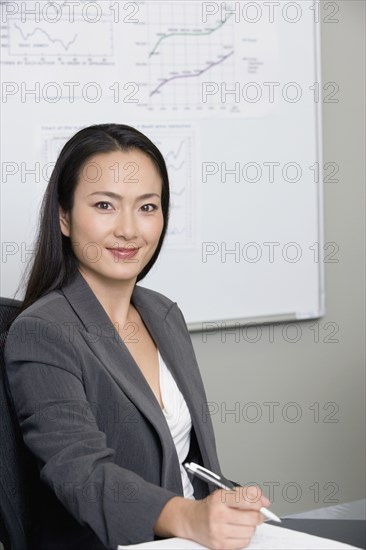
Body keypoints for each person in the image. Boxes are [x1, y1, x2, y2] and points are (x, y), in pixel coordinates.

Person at [4, 123, 270, 550]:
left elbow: (189, 461)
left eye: (147, 207)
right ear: (64, 217)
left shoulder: (163, 314)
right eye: (106, 205)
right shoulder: (43, 333)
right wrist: (188, 518)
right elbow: (80, 473)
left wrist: (223, 506)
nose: (130, 230)